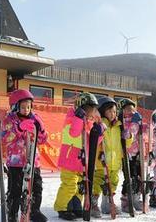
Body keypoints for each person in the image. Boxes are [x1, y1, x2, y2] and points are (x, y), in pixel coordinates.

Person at [53, 92, 103, 221]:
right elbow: (74, 133)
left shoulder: (88, 123)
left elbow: (93, 143)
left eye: (93, 110)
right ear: (81, 108)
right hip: (70, 160)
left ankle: (75, 206)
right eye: (90, 109)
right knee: (69, 185)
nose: (92, 112)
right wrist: (78, 118)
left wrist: (100, 131)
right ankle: (62, 207)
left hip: (81, 161)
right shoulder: (71, 118)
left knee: (80, 186)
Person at [1, 89, 48, 222]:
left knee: (36, 187)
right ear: (15, 106)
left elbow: (42, 140)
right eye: (22, 107)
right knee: (15, 189)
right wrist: (19, 129)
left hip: (33, 160)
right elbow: (5, 138)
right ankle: (12, 212)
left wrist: (41, 130)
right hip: (16, 162)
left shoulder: (34, 119)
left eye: (28, 106)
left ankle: (34, 211)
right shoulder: (9, 120)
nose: (26, 109)